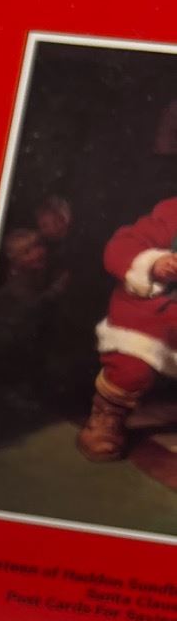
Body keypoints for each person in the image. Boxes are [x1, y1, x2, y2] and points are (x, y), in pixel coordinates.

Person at [77, 195, 177, 461]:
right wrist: (154, 264)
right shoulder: (173, 213)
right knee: (131, 369)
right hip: (154, 314)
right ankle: (107, 416)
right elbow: (124, 245)